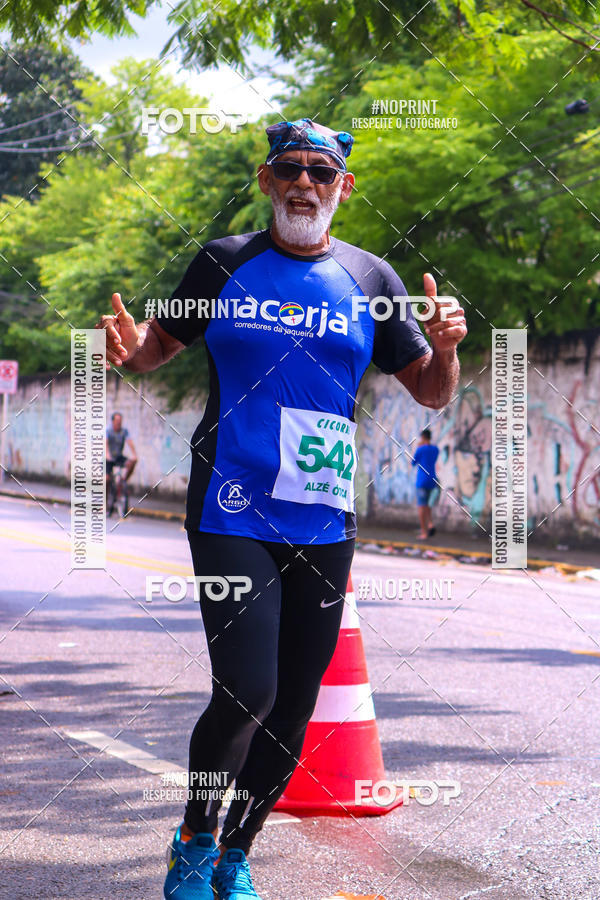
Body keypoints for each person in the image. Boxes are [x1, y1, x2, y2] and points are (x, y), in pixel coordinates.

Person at [95, 117, 467, 900]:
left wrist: (448, 351)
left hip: (323, 515)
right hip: (230, 505)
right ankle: (195, 839)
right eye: (289, 169)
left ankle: (237, 851)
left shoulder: (372, 280)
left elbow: (431, 391)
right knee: (246, 689)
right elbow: (158, 347)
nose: (304, 182)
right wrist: (125, 352)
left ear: (343, 187)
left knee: (294, 704)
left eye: (320, 172)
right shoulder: (223, 262)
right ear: (266, 180)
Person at [412, 428, 440, 539]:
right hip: (432, 479)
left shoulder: (421, 449)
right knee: (428, 505)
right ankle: (430, 524)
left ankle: (424, 533)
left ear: (423, 437)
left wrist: (418, 447)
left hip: (422, 480)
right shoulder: (435, 449)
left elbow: (413, 462)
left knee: (421, 507)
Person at [105, 412, 137, 484]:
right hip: (108, 459)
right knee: (106, 479)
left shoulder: (124, 431)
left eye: (120, 421)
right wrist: (107, 454)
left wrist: (134, 454)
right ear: (113, 421)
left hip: (119, 457)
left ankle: (123, 481)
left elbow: (130, 442)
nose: (119, 422)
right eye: (117, 420)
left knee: (131, 463)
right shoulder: (108, 431)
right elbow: (105, 443)